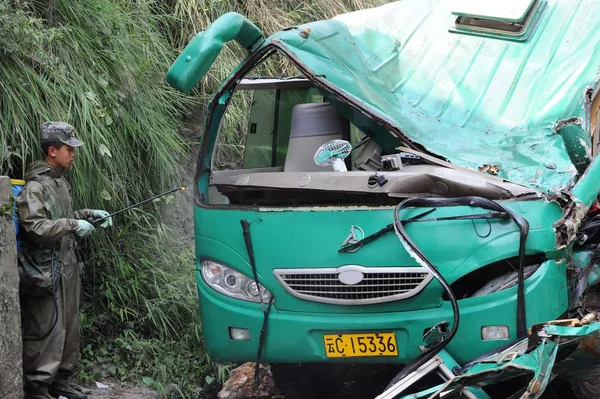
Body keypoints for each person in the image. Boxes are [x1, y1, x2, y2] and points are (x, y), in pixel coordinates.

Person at [16, 122, 113, 399]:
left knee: (69, 325)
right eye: (69, 149)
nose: (73, 154)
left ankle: (61, 380)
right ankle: (37, 386)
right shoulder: (35, 186)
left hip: (67, 267)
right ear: (52, 151)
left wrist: (88, 214)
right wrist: (72, 223)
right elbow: (35, 226)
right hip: (44, 270)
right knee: (46, 327)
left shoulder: (59, 181)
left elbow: (63, 215)